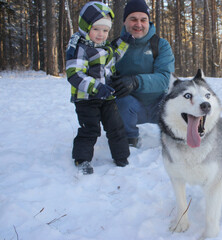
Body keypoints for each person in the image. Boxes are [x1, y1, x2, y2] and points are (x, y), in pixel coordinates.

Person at [66, 2, 130, 174]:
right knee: (90, 129)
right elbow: (74, 74)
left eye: (105, 30)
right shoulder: (79, 47)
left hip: (107, 97)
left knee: (116, 126)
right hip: (86, 99)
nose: (101, 34)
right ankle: (82, 159)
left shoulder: (105, 48)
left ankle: (122, 157)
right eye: (96, 29)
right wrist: (96, 87)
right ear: (86, 27)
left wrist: (124, 42)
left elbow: (115, 56)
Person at [110, 0, 175, 148]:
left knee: (177, 101)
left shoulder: (160, 45)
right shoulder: (114, 47)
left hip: (159, 104)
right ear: (125, 21)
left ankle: (173, 135)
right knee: (119, 103)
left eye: (143, 20)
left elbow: (164, 79)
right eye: (133, 19)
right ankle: (129, 138)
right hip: (130, 107)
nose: (138, 24)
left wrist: (135, 81)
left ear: (148, 21)